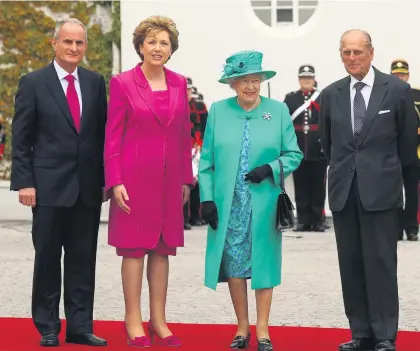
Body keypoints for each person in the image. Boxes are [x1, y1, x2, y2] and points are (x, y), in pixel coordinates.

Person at [10, 18, 107, 347]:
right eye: (68, 42)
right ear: (55, 44)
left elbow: (101, 135)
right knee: (48, 258)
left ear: (85, 47)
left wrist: (106, 180)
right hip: (47, 187)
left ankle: (80, 327)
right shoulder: (33, 83)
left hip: (88, 188)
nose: (74, 48)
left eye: (79, 43)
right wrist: (25, 182)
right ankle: (48, 326)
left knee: (83, 259)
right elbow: (20, 139)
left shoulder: (95, 83)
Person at [319, 30, 418, 351]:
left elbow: (407, 146)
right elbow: (327, 144)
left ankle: (385, 334)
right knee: (350, 264)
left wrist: (399, 189)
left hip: (382, 191)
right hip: (344, 191)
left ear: (371, 53)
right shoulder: (332, 93)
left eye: (358, 52)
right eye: (346, 52)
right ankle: (360, 331)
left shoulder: (398, 91)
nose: (352, 58)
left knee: (381, 263)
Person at [199, 50, 303, 351]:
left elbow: (294, 154)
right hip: (228, 204)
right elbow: (207, 162)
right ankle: (242, 327)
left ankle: (263, 330)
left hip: (264, 202)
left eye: (256, 80)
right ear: (232, 83)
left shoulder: (278, 110)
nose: (251, 87)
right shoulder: (218, 111)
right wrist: (207, 199)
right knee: (233, 262)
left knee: (264, 263)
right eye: (244, 81)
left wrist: (269, 169)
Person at [104, 15, 193, 348]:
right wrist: (114, 181)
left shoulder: (180, 83)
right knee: (133, 250)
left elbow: (184, 135)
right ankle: (132, 319)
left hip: (170, 181)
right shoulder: (122, 83)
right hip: (133, 179)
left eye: (164, 43)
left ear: (172, 50)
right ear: (140, 45)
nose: (158, 47)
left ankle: (159, 319)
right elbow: (112, 137)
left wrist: (186, 179)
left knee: (161, 249)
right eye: (152, 41)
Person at [284, 64, 327, 232]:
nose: (306, 81)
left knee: (318, 186)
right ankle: (302, 220)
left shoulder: (322, 98)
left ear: (313, 79)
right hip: (299, 148)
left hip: (318, 149)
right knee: (300, 185)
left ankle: (317, 220)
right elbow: (284, 122)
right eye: (303, 78)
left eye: (309, 78)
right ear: (299, 79)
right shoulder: (291, 98)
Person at [390, 58, 420, 241]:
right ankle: (396, 227)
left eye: (402, 74)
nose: (399, 77)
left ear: (408, 75)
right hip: (391, 152)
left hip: (414, 152)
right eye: (396, 75)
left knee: (411, 191)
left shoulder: (417, 95)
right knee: (393, 193)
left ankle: (411, 227)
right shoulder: (385, 94)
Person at [183, 77, 208, 229]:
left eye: (189, 89)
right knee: (184, 184)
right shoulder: (176, 105)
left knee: (197, 183)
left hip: (197, 148)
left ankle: (195, 216)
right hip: (182, 149)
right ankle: (184, 218)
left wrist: (201, 144)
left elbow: (205, 127)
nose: (187, 92)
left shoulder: (198, 105)